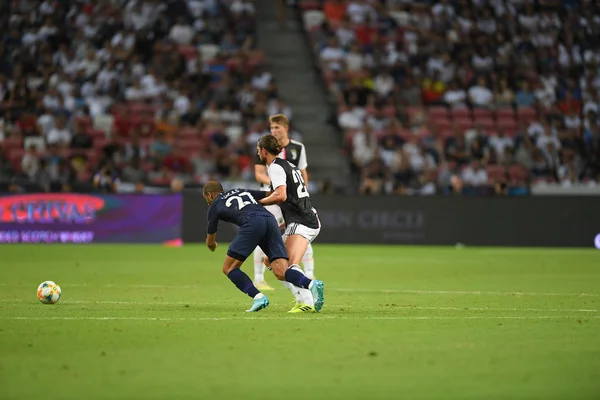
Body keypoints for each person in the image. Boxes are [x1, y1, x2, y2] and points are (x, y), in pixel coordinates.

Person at [203, 181, 324, 312]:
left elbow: (210, 241)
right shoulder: (241, 191)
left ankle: (258, 297)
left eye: (206, 198)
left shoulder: (214, 206)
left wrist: (213, 245)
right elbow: (269, 194)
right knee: (280, 270)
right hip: (270, 219)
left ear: (209, 195)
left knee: (229, 268)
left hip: (251, 223)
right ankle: (311, 284)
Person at [256, 135, 325, 312]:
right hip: (304, 218)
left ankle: (309, 294)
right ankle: (302, 300)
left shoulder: (275, 168)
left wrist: (259, 203)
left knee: (289, 266)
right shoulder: (289, 165)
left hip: (301, 221)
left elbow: (281, 195)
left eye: (258, 150)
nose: (257, 154)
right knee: (270, 261)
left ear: (264, 151)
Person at [253, 114, 316, 289]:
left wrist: (299, 192)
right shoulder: (264, 147)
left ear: (285, 129)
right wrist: (277, 185)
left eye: (277, 128)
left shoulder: (296, 148)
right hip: (272, 197)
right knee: (266, 235)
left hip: (286, 198)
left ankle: (307, 277)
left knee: (297, 234)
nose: (273, 131)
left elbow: (303, 173)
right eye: (272, 128)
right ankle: (259, 278)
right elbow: (258, 174)